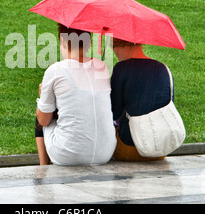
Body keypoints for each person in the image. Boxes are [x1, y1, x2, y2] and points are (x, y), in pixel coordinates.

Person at [35, 24, 117, 166]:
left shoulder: (55, 70)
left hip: (68, 155)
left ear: (62, 41)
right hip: (105, 153)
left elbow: (43, 121)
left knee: (42, 109)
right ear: (89, 42)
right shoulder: (102, 67)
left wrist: (43, 98)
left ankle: (43, 167)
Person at [110, 38, 172, 161]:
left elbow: (114, 112)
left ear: (122, 46)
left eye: (114, 48)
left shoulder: (121, 68)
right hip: (161, 150)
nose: (114, 53)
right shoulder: (164, 69)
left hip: (129, 149)